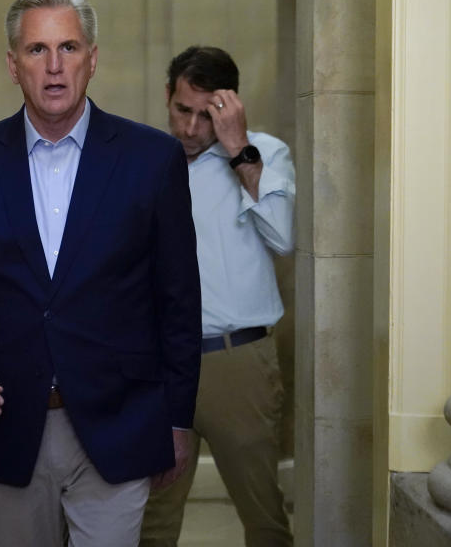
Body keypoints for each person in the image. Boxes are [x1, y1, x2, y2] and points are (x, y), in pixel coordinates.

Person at [0, 0, 202, 547]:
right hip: (9, 422)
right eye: (36, 50)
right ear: (12, 66)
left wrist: (178, 417)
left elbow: (178, 297)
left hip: (122, 420)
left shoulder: (152, 160)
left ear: (92, 60)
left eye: (68, 48)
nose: (54, 67)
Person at [140, 46, 295, 547]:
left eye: (206, 115)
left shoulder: (263, 153)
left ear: (229, 107)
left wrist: (237, 149)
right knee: (153, 521)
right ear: (168, 96)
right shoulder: (143, 165)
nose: (190, 129)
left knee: (264, 517)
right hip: (161, 364)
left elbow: (282, 236)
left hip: (238, 362)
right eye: (182, 110)